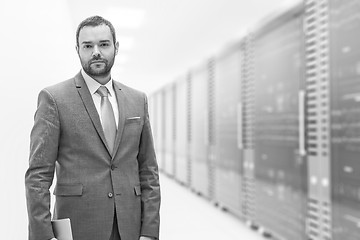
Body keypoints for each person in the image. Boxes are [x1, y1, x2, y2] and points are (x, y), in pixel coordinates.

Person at [25, 15, 160, 240]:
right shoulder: (54, 99)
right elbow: (38, 175)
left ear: (115, 48)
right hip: (78, 225)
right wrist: (44, 236)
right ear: (77, 49)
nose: (96, 51)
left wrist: (150, 231)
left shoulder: (138, 100)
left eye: (104, 44)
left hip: (130, 226)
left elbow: (148, 170)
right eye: (88, 46)